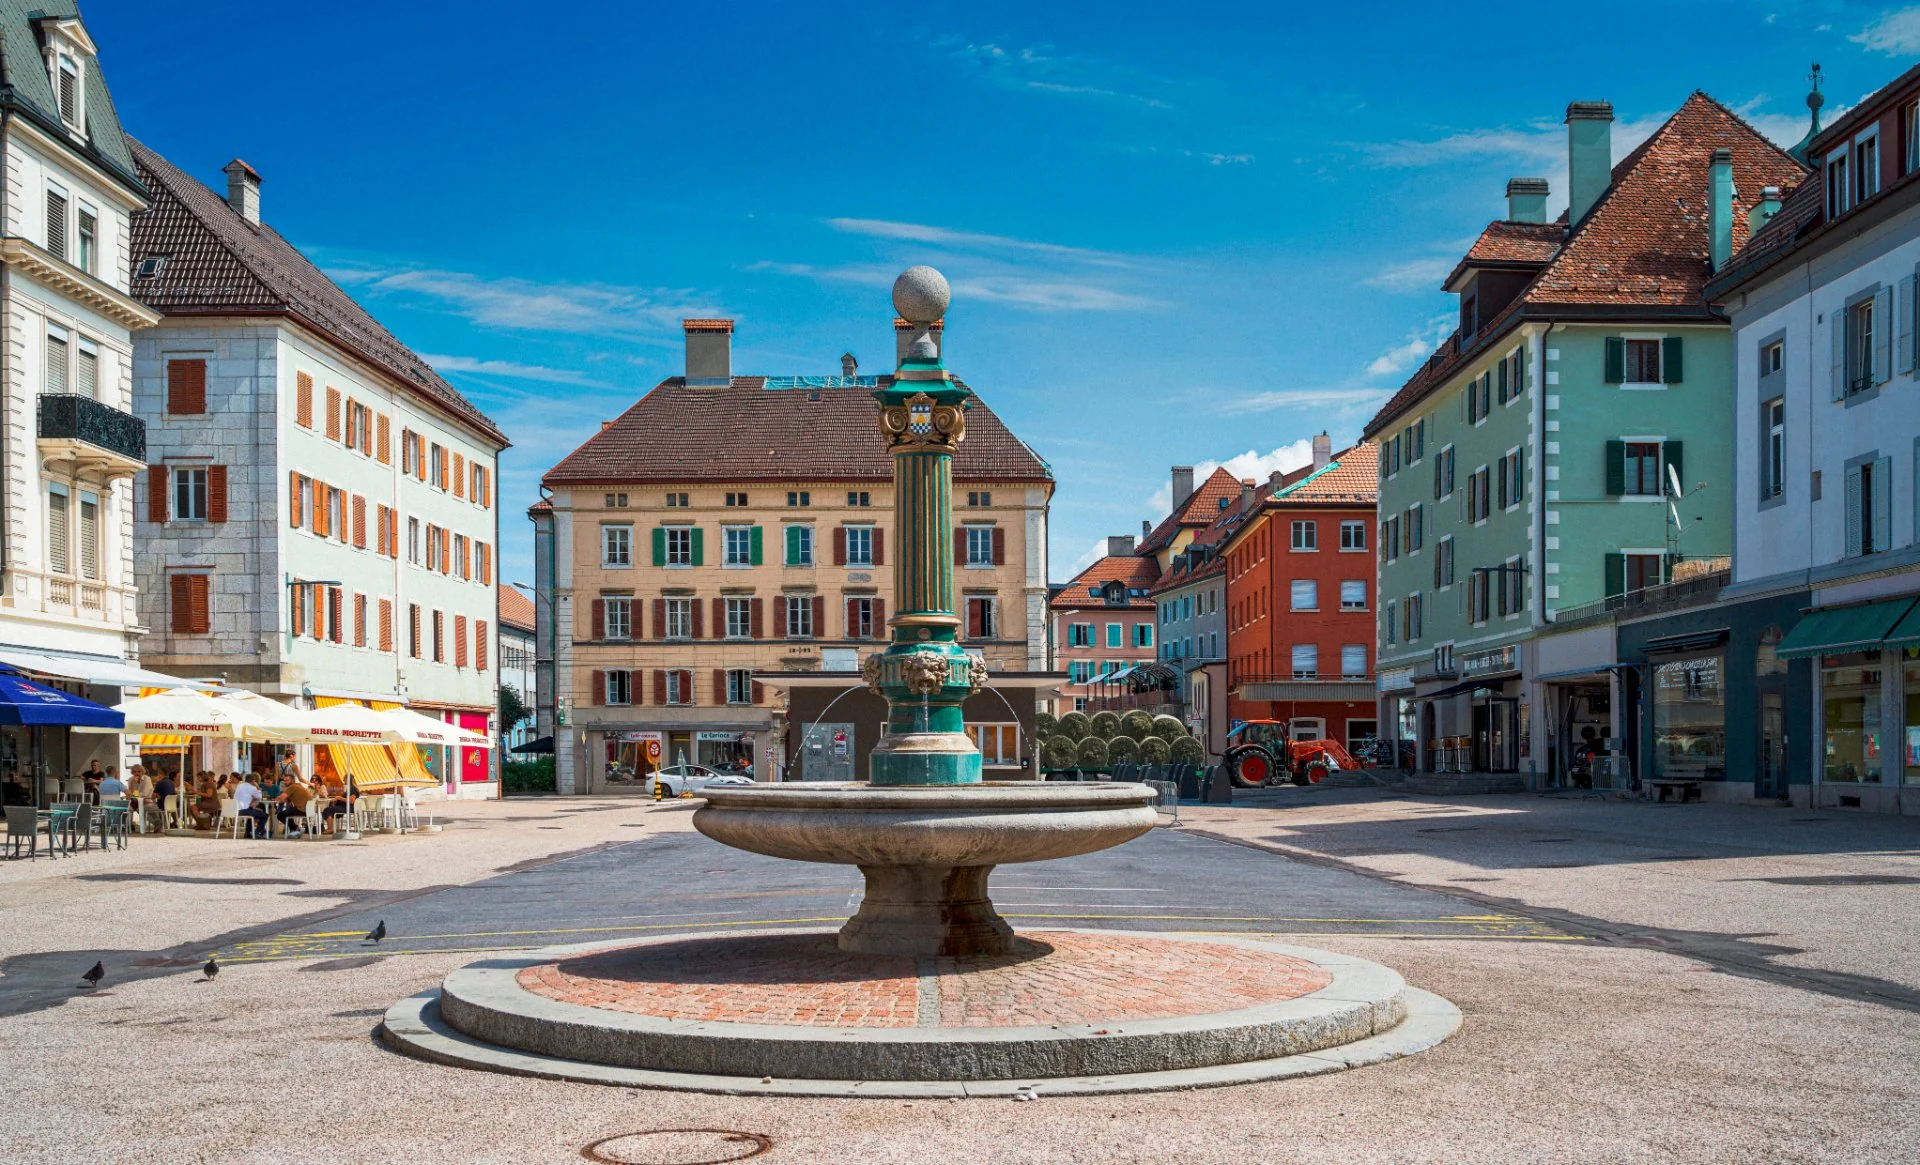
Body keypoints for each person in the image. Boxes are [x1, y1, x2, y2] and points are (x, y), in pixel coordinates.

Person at [232, 772, 267, 838]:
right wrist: (258, 788)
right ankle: (257, 833)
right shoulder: (252, 788)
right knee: (265, 815)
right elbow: (259, 797)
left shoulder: (239, 786)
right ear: (253, 781)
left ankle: (248, 832)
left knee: (252, 811)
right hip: (243, 810)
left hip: (235, 810)